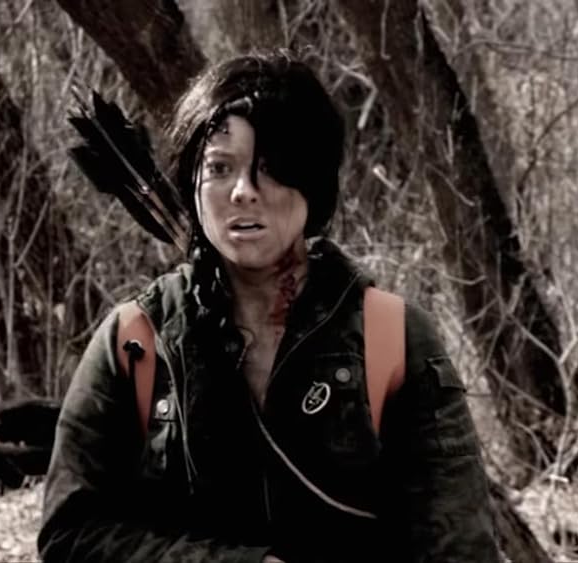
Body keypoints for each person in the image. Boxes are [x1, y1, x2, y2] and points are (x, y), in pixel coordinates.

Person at [37, 50, 500, 563]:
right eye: (219, 168)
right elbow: (69, 535)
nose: (243, 192)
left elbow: (461, 549)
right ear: (192, 183)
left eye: (271, 168)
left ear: (314, 182)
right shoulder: (137, 340)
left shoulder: (390, 337)